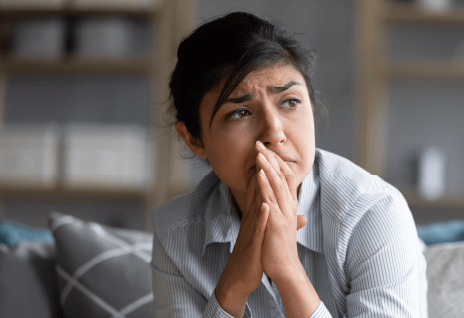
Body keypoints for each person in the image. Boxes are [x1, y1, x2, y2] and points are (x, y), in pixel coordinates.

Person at [150, 11, 428, 318]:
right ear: (193, 139)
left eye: (290, 102)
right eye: (240, 113)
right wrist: (233, 287)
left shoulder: (373, 212)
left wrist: (287, 270)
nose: (274, 133)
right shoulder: (175, 231)